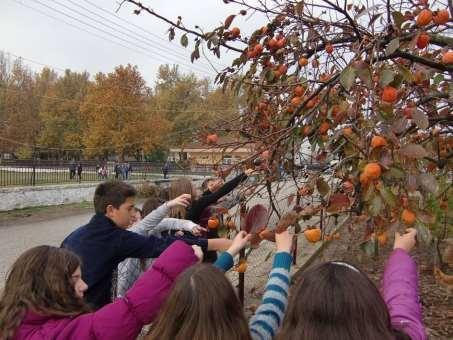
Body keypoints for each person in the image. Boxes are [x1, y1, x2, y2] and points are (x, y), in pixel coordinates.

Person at [61, 180, 232, 309]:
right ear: (111, 210)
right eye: (129, 208)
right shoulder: (116, 239)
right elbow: (161, 245)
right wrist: (213, 244)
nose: (133, 213)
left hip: (66, 310)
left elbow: (146, 227)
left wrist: (168, 205)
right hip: (89, 312)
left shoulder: (78, 235)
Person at [0, 241, 203, 340]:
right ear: (50, 285)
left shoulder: (16, 322)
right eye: (75, 279)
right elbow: (127, 312)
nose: (84, 286)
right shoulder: (50, 335)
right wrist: (182, 256)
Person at [276, 228, 426, 340]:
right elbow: (402, 297)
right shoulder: (407, 335)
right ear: (374, 307)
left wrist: (282, 253)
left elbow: (270, 307)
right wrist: (400, 252)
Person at [146, 230, 294, 340]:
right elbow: (272, 307)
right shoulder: (256, 336)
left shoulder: (158, 333)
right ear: (231, 309)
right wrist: (283, 253)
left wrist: (232, 250)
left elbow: (201, 284)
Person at [116, 194, 207, 297]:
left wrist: (192, 226)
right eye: (132, 220)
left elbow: (169, 222)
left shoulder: (150, 231)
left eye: (139, 219)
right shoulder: (125, 239)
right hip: (126, 295)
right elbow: (122, 282)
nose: (138, 223)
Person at [168, 169, 253, 262]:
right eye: (192, 187)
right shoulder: (196, 205)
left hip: (187, 253)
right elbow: (220, 193)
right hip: (204, 252)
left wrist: (209, 191)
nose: (195, 188)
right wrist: (244, 175)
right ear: (188, 192)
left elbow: (201, 201)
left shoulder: (174, 210)